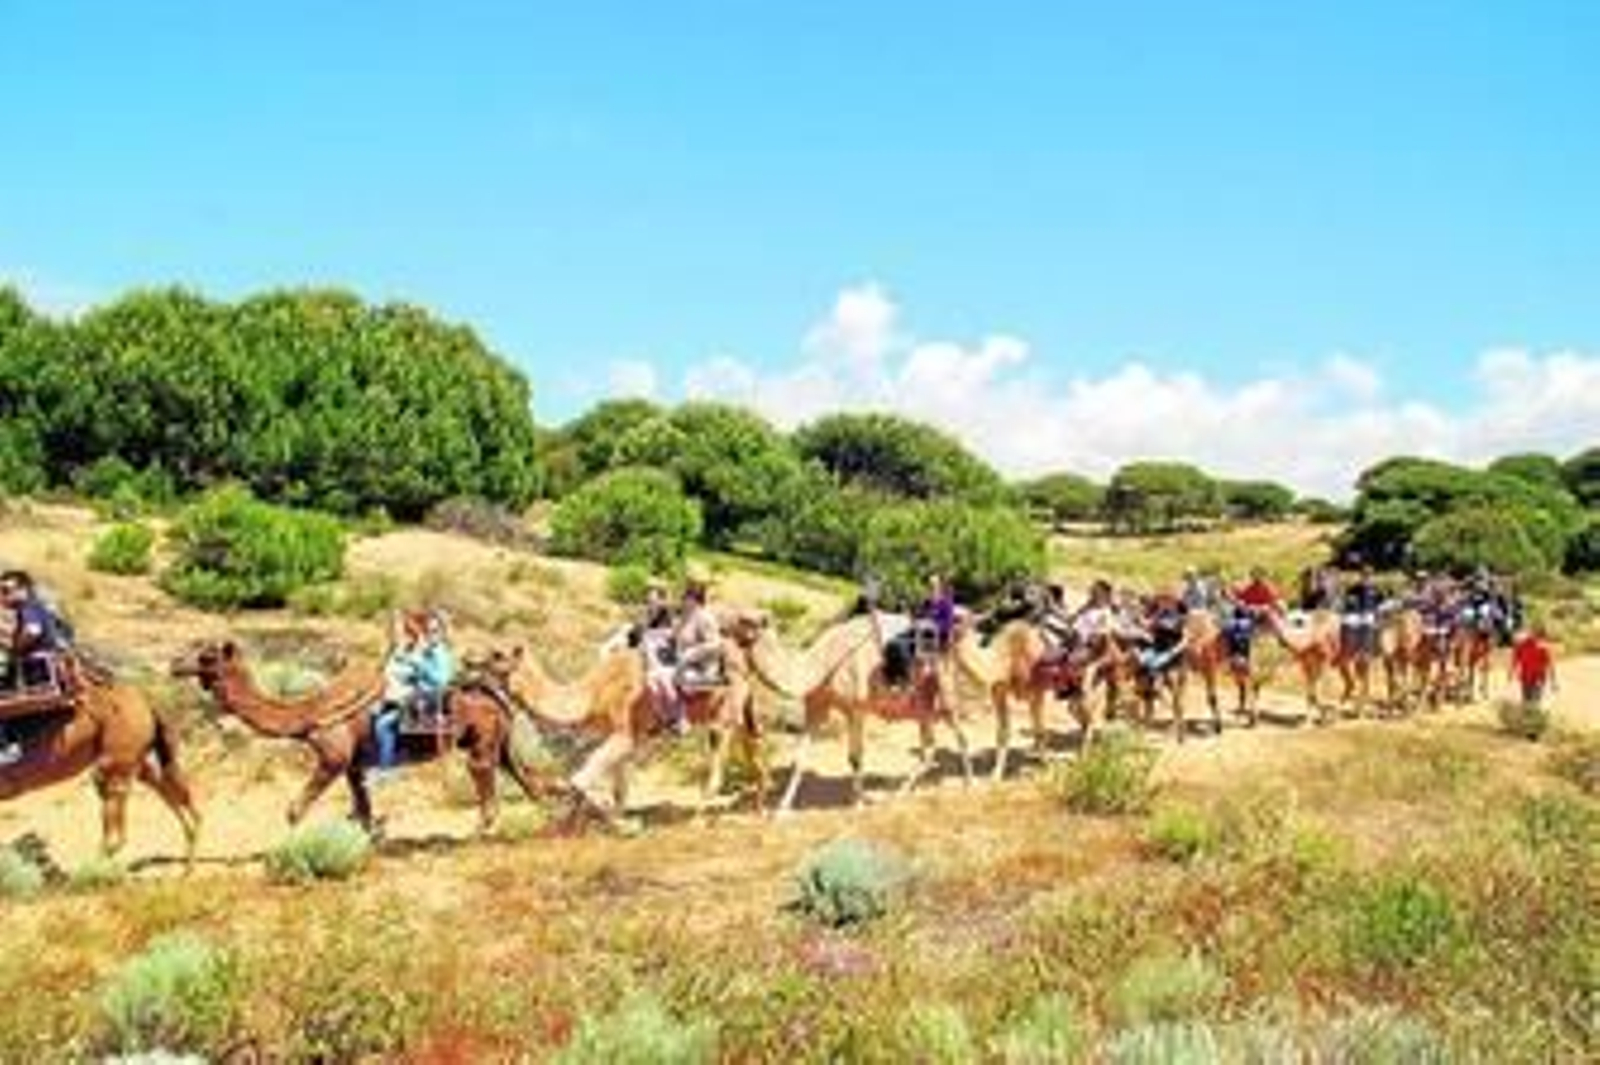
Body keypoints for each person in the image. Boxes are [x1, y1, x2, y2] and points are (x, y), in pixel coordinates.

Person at [368, 611, 427, 782]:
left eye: (408, 631)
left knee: (382, 726)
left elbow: (419, 677)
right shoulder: (399, 650)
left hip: (408, 703)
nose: (405, 635)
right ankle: (376, 761)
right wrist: (395, 621)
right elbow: (393, 641)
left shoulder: (419, 653)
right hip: (389, 699)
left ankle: (387, 769)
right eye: (404, 632)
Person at [666, 580, 723, 733]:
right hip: (682, 661)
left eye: (686, 598)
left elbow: (716, 644)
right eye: (683, 597)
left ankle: (683, 720)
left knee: (677, 677)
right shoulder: (685, 615)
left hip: (704, 668)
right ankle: (665, 711)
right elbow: (676, 636)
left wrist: (693, 653)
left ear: (695, 600)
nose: (683, 600)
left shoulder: (705, 618)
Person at [1339, 566, 1384, 661]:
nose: (1367, 577)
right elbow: (1348, 601)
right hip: (1356, 613)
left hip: (1370, 613)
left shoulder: (1376, 589)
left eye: (1369, 575)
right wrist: (1352, 605)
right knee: (1346, 622)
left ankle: (1366, 650)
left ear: (1372, 576)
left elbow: (1381, 603)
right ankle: (1347, 649)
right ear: (1361, 576)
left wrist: (1377, 612)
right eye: (1364, 575)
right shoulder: (1354, 589)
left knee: (1367, 622)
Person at [1508, 624, 1557, 712]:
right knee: (1527, 700)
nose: (1532, 635)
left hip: (1538, 678)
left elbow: (1550, 665)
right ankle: (1529, 717)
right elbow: (1514, 661)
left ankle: (1533, 716)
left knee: (1534, 700)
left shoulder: (1542, 648)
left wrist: (1554, 681)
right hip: (1526, 678)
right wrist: (1510, 673)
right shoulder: (1521, 646)